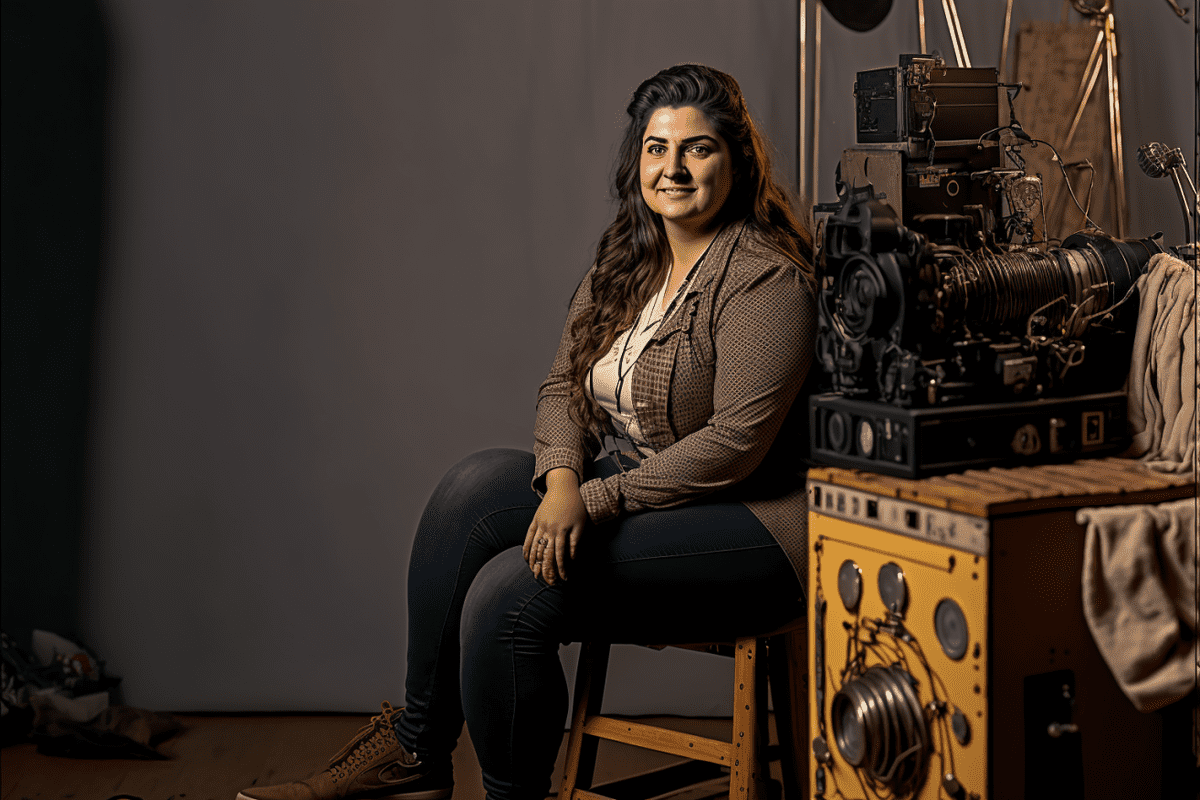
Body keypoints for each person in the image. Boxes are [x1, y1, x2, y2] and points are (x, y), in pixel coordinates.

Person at [238, 63, 816, 800]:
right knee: (470, 491)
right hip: (641, 487)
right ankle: (417, 753)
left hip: (751, 524)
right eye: (655, 147)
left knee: (510, 593)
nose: (673, 168)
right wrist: (565, 480)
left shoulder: (767, 280)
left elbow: (734, 445)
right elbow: (562, 389)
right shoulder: (627, 259)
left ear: (737, 159)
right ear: (636, 158)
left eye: (697, 149)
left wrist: (595, 502)